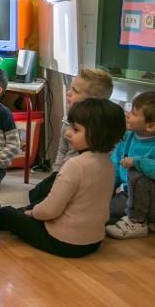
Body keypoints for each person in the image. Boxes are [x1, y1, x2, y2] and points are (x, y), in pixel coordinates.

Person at [0, 99, 126, 258]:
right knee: (36, 204)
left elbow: (50, 210)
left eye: (76, 129)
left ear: (98, 134)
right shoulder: (108, 164)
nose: (67, 133)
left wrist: (33, 213)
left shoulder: (75, 165)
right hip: (94, 241)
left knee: (8, 214)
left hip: (63, 242)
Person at [105, 91, 155, 239]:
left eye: (134, 113)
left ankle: (136, 222)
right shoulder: (128, 138)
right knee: (101, 214)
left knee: (136, 174)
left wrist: (139, 162)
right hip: (130, 197)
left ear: (150, 126)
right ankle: (153, 223)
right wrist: (103, 196)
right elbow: (114, 170)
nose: (128, 115)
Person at [29, 67, 114, 205]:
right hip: (64, 173)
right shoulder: (68, 117)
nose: (68, 93)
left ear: (93, 100)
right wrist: (56, 174)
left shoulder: (101, 127)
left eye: (75, 91)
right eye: (70, 88)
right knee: (36, 194)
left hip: (84, 179)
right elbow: (62, 150)